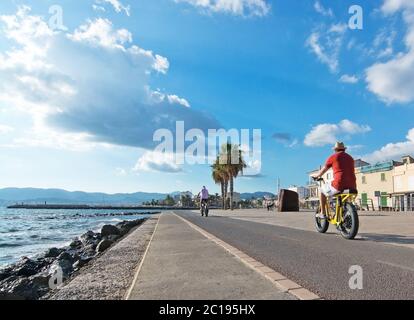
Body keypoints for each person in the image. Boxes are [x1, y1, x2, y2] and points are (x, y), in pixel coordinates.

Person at [312, 142, 357, 219]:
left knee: (322, 191)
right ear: (344, 149)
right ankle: (344, 213)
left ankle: (322, 213)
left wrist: (316, 176)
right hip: (352, 185)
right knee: (342, 197)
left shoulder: (334, 157)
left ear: (335, 149)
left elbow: (323, 170)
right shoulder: (351, 158)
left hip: (339, 184)